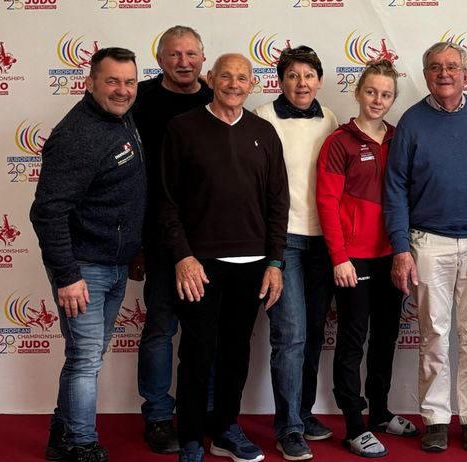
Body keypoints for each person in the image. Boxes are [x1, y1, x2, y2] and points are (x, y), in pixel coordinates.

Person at [156, 53, 290, 462]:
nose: (234, 84)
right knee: (196, 352)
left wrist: (275, 262)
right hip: (200, 265)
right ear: (211, 78)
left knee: (236, 352)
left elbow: (277, 202)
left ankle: (227, 429)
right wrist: (182, 256)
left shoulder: (264, 132)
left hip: (252, 266)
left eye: (243, 78)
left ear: (253, 84)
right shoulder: (182, 128)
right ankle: (193, 437)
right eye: (226, 76)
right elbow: (166, 200)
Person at [31, 47, 146, 462]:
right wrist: (67, 274)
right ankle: (81, 444)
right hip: (84, 269)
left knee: (87, 355)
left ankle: (62, 435)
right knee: (85, 359)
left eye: (129, 82)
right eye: (112, 81)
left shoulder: (119, 115)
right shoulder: (78, 134)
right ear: (90, 83)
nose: (122, 90)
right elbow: (47, 211)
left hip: (114, 263)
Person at [384, 41, 467, 453]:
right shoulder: (411, 122)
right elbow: (394, 187)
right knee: (433, 334)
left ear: (466, 72)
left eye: (452, 66)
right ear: (426, 74)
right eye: (435, 67)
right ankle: (434, 416)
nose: (444, 73)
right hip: (428, 241)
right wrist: (400, 247)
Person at [316, 59, 418, 458]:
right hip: (352, 260)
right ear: (358, 92)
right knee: (353, 341)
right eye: (371, 92)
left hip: (392, 257)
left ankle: (379, 412)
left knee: (386, 339)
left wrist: (403, 252)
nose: (378, 100)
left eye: (386, 94)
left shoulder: (398, 138)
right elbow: (326, 201)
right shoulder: (339, 141)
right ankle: (354, 425)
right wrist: (339, 257)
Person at [252, 45, 339, 461]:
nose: (301, 83)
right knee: (290, 336)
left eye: (308, 75)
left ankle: (302, 415)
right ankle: (287, 427)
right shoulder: (263, 118)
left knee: (314, 335)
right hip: (283, 240)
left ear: (319, 80)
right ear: (280, 81)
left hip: (324, 241)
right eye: (292, 75)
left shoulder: (332, 119)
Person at [131, 25, 212, 455]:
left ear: (203, 58)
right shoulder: (138, 100)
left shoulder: (216, 98)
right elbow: (127, 174)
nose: (184, 61)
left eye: (191, 54)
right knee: (161, 329)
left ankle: (207, 412)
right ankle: (159, 416)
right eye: (174, 54)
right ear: (160, 58)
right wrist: (136, 244)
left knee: (207, 333)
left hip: (213, 243)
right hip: (159, 239)